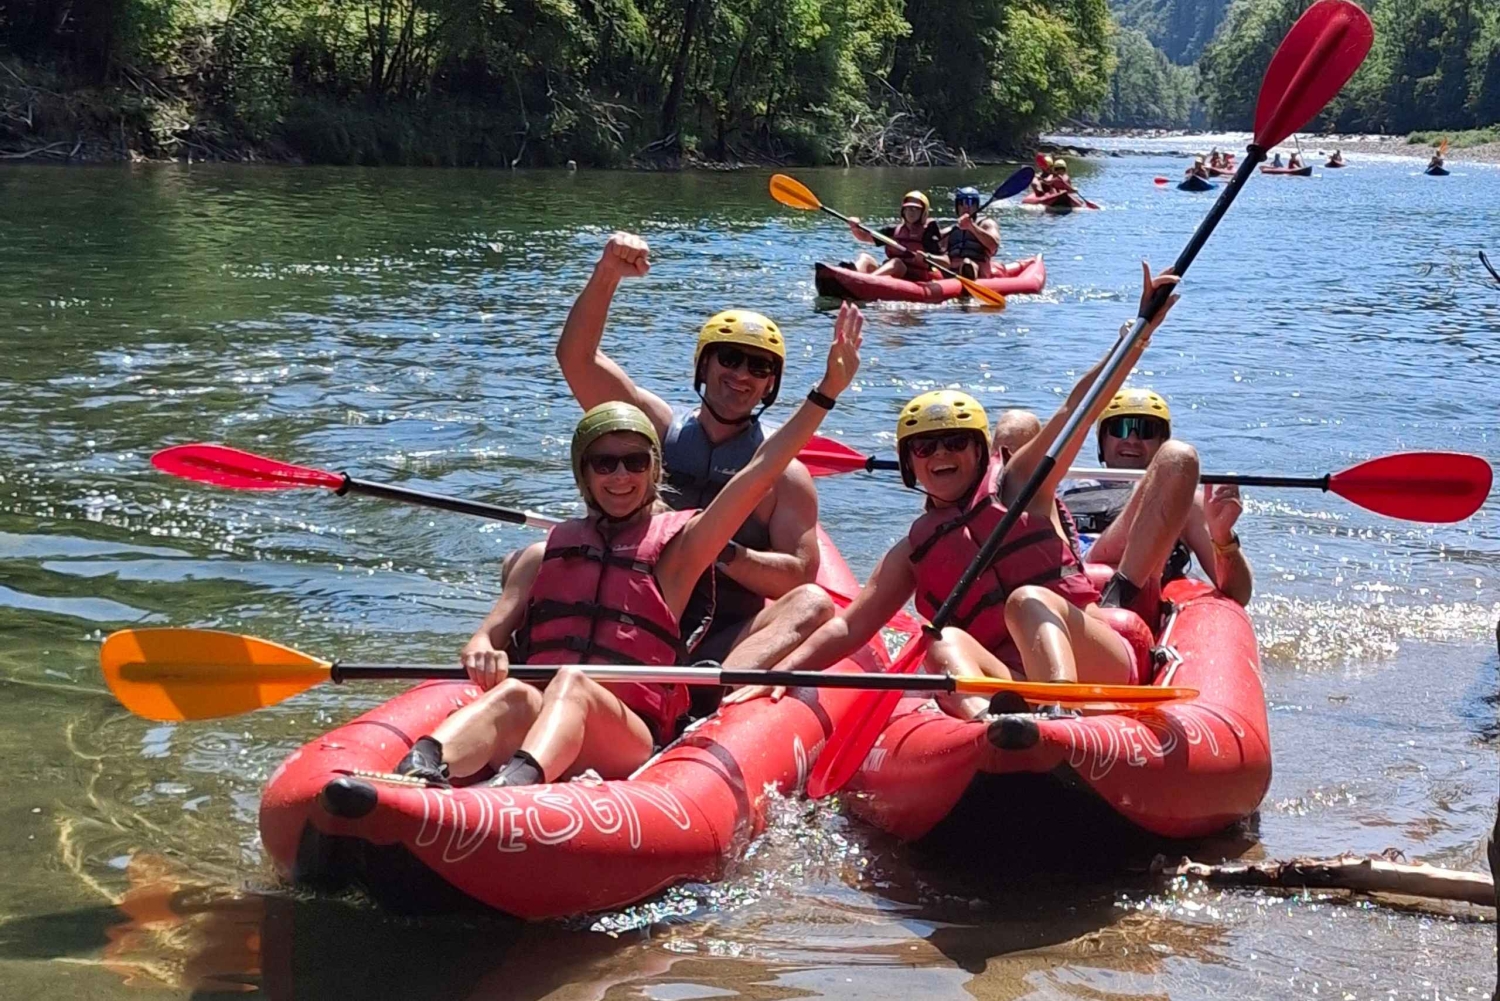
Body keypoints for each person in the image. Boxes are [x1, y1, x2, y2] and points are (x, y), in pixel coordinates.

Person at [395, 306, 863, 787]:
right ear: (583, 474)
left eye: (635, 464)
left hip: (642, 712)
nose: (621, 476)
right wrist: (482, 649)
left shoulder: (681, 551)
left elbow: (761, 472)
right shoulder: (547, 553)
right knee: (517, 692)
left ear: (654, 472)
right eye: (605, 464)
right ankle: (417, 769)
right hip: (571, 694)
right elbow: (484, 637)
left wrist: (826, 392)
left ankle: (513, 786)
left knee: (572, 684)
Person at [726, 263, 1182, 719]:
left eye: (955, 442)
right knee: (940, 640)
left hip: (1094, 662)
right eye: (924, 447)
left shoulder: (1020, 485)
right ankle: (988, 724)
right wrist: (782, 672)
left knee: (1027, 600)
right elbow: (849, 627)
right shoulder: (912, 551)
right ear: (909, 464)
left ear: (980, 451)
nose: (940, 454)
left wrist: (1138, 333)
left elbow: (1077, 408)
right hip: (1010, 677)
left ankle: (1059, 713)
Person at [554, 234, 836, 710]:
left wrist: (716, 547)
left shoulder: (785, 475)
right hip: (632, 620)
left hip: (722, 639)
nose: (741, 374)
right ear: (704, 366)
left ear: (770, 384)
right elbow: (576, 358)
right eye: (730, 358)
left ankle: (712, 700)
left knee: (813, 604)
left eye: (758, 367)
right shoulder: (655, 430)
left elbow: (797, 579)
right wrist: (608, 274)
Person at [1056, 389, 1253, 609]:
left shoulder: (1188, 502)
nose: (1132, 439)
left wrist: (1223, 537)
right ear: (1103, 439)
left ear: (1161, 442)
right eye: (1120, 429)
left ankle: (1118, 595)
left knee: (1180, 456)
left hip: (1131, 581)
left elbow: (1238, 594)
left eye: (1146, 430)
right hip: (1068, 566)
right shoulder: (1062, 484)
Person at [847, 191, 942, 280]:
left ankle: (866, 281)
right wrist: (854, 227)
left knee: (897, 263)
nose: (911, 212)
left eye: (916, 209)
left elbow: (944, 260)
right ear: (903, 211)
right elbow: (864, 237)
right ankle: (851, 277)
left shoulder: (928, 234)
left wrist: (928, 257)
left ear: (923, 212)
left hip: (915, 276)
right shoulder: (893, 231)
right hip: (894, 272)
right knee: (865, 257)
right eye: (908, 208)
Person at [942, 186, 1001, 279]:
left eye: (970, 202)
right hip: (951, 272)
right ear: (957, 206)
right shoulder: (951, 230)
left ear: (976, 206)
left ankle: (968, 271)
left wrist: (971, 227)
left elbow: (994, 246)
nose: (966, 206)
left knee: (967, 263)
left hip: (979, 273)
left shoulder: (986, 224)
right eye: (961, 203)